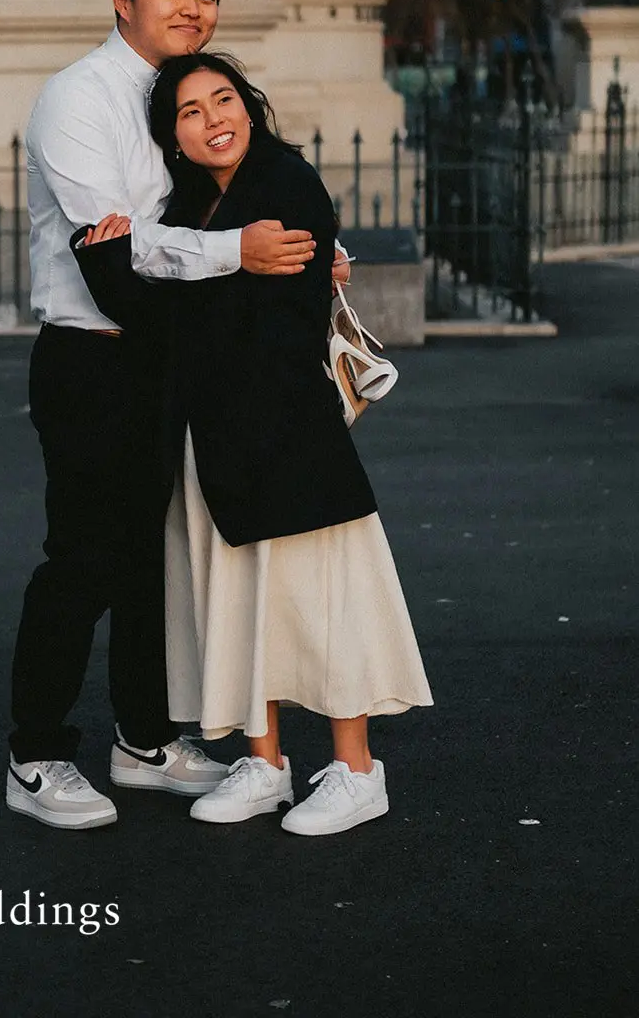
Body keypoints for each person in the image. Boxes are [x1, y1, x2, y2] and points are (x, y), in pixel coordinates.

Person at [6, 0, 349, 831]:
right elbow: (111, 252)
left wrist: (308, 251)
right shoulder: (79, 100)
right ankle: (34, 754)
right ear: (122, 0)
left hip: (169, 360)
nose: (193, 8)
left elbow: (204, 207)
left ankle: (144, 741)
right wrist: (238, 250)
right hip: (91, 359)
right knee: (81, 556)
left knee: (155, 561)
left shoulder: (181, 99)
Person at [76, 52, 433, 836]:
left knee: (322, 603)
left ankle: (356, 771)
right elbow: (195, 308)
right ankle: (265, 762)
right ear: (172, 137)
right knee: (240, 601)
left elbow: (240, 318)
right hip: (218, 436)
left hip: (287, 438)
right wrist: (161, 262)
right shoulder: (195, 200)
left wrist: (141, 268)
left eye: (224, 99)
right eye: (191, 112)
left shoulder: (286, 182)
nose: (214, 120)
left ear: (251, 104)